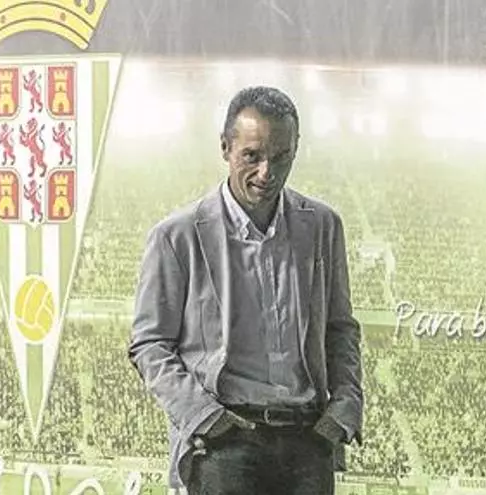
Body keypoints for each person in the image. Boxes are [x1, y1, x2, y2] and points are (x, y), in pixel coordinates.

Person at [129, 86, 363, 494]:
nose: (266, 172)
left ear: (296, 149)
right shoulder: (177, 236)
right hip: (224, 442)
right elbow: (149, 344)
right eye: (252, 156)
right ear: (225, 147)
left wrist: (345, 409)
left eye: (281, 157)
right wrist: (205, 418)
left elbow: (340, 329)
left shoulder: (323, 226)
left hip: (308, 440)